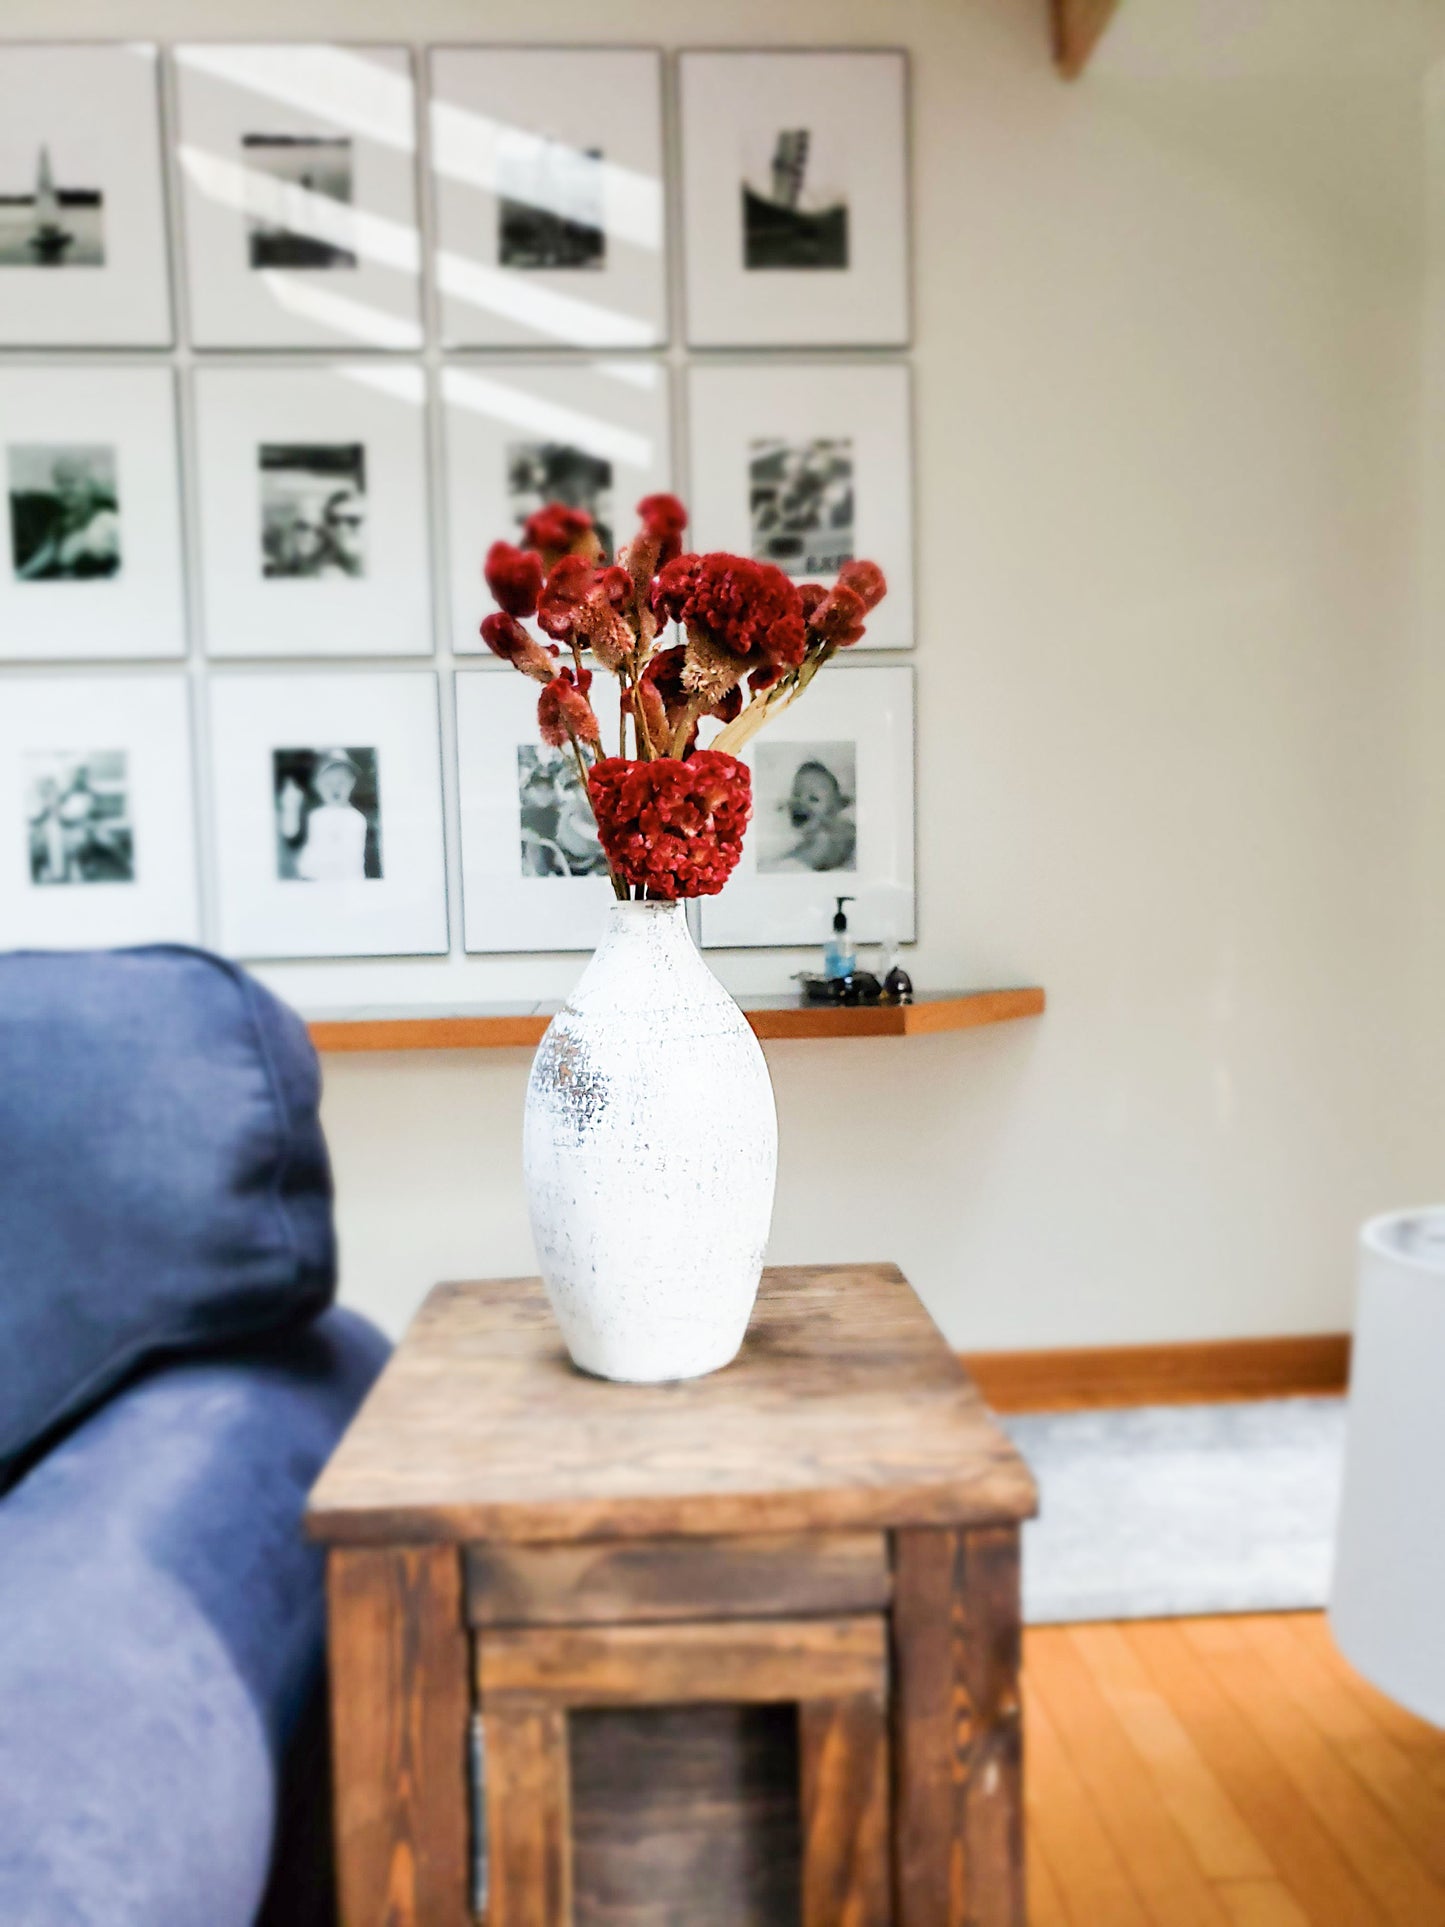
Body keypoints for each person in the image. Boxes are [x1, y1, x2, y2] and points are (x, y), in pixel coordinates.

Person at [15, 453, 120, 580]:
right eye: (59, 483)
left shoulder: (107, 520)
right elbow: (41, 560)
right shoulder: (59, 525)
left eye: (71, 481)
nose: (65, 489)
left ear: (89, 484)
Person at [291, 750, 371, 882]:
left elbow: (349, 861)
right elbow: (308, 856)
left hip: (345, 882)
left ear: (352, 783)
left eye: (341, 782)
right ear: (318, 786)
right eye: (328, 783)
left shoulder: (355, 818)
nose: (335, 788)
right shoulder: (315, 817)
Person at [773, 759, 856, 873]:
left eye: (813, 799)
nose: (801, 802)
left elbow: (801, 860)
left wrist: (783, 861)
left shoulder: (826, 836)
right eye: (796, 794)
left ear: (834, 809)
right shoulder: (805, 832)